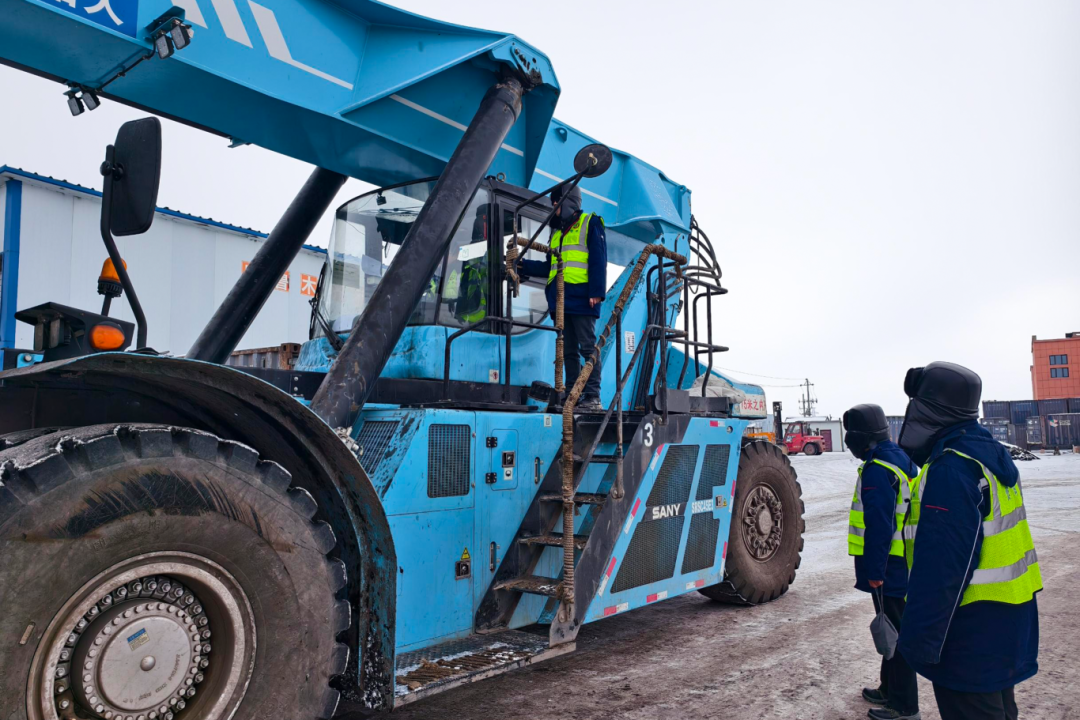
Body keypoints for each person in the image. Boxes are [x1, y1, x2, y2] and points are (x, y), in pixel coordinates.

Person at [897, 362, 1041, 720]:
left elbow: (943, 568)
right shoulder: (990, 457)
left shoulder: (952, 468)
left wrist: (920, 642)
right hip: (1007, 623)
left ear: (929, 407)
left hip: (967, 633)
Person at [843, 404, 921, 720]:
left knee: (896, 635)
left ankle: (905, 707)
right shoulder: (899, 458)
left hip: (890, 566)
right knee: (890, 627)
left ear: (863, 439)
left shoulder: (878, 469)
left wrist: (875, 571)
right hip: (901, 561)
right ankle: (889, 688)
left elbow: (880, 524)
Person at [520, 184, 607, 410]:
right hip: (561, 301)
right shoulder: (557, 232)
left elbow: (599, 258)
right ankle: (573, 395)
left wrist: (597, 292)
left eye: (555, 203)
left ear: (567, 201)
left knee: (587, 348)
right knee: (568, 351)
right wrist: (523, 266)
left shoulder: (590, 222)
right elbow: (551, 267)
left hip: (583, 298)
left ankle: (593, 397)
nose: (553, 208)